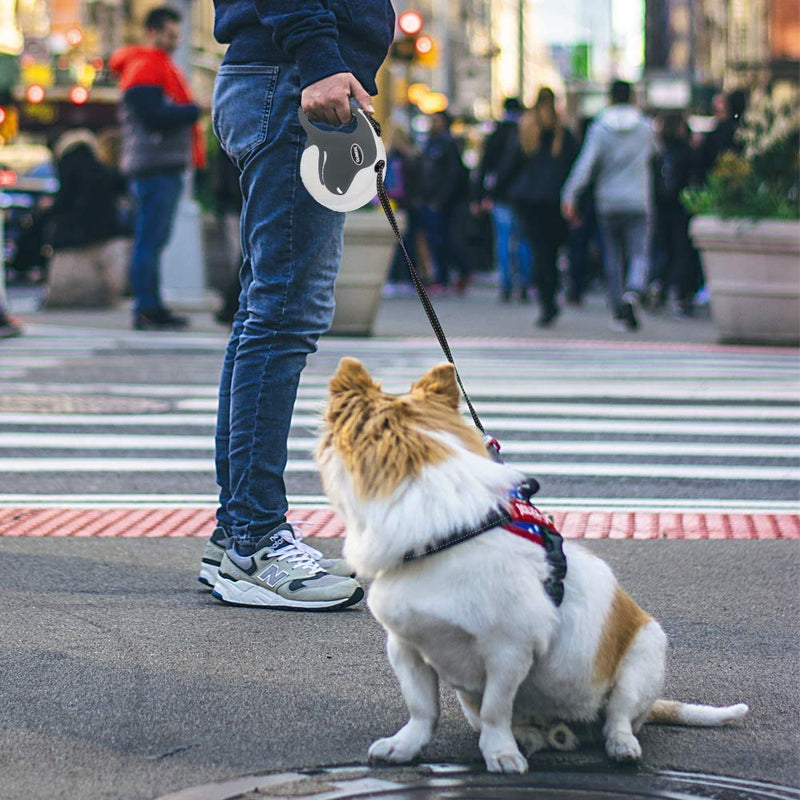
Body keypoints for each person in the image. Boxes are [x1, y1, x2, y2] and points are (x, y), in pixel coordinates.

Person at [197, 1, 395, 610]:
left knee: (269, 315)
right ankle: (254, 542)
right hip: (292, 80)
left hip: (285, 78)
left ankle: (239, 533)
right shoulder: (305, 68)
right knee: (282, 317)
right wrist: (320, 61)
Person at [110, 6, 204, 331]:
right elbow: (153, 115)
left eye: (177, 35)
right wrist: (194, 110)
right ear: (153, 32)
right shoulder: (146, 66)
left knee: (152, 239)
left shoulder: (157, 66)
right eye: (169, 34)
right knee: (150, 239)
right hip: (154, 166)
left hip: (158, 165)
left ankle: (151, 306)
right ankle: (147, 308)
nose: (175, 41)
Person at [562, 80, 656, 331]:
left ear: (610, 98)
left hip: (608, 201)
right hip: (638, 199)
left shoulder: (600, 128)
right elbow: (655, 156)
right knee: (638, 251)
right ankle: (634, 290)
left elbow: (586, 165)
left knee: (612, 255)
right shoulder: (646, 128)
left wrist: (570, 194)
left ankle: (617, 308)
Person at [496, 87, 577, 326]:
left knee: (537, 249)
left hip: (529, 200)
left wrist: (494, 190)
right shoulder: (563, 132)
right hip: (555, 200)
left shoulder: (527, 130)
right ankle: (550, 296)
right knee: (551, 252)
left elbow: (510, 165)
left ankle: (544, 300)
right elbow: (574, 165)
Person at [44, 129, 129, 308]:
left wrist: (47, 212)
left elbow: (65, 197)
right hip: (106, 229)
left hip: (75, 232)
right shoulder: (99, 165)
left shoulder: (68, 162)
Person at [476, 97, 533, 303]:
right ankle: (525, 283)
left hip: (501, 194)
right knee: (524, 239)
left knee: (503, 238)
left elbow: (484, 165)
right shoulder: (529, 133)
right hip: (525, 194)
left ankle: (506, 283)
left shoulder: (496, 133)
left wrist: (482, 194)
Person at [649, 112, 697, 316]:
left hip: (661, 207)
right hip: (681, 207)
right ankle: (680, 293)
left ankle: (659, 284)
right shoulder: (688, 152)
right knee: (682, 251)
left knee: (663, 249)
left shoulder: (658, 153)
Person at [418, 110, 470, 293]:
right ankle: (443, 276)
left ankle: (450, 275)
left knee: (445, 240)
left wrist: (441, 199)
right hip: (430, 199)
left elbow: (453, 174)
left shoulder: (447, 144)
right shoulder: (431, 143)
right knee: (436, 240)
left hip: (443, 202)